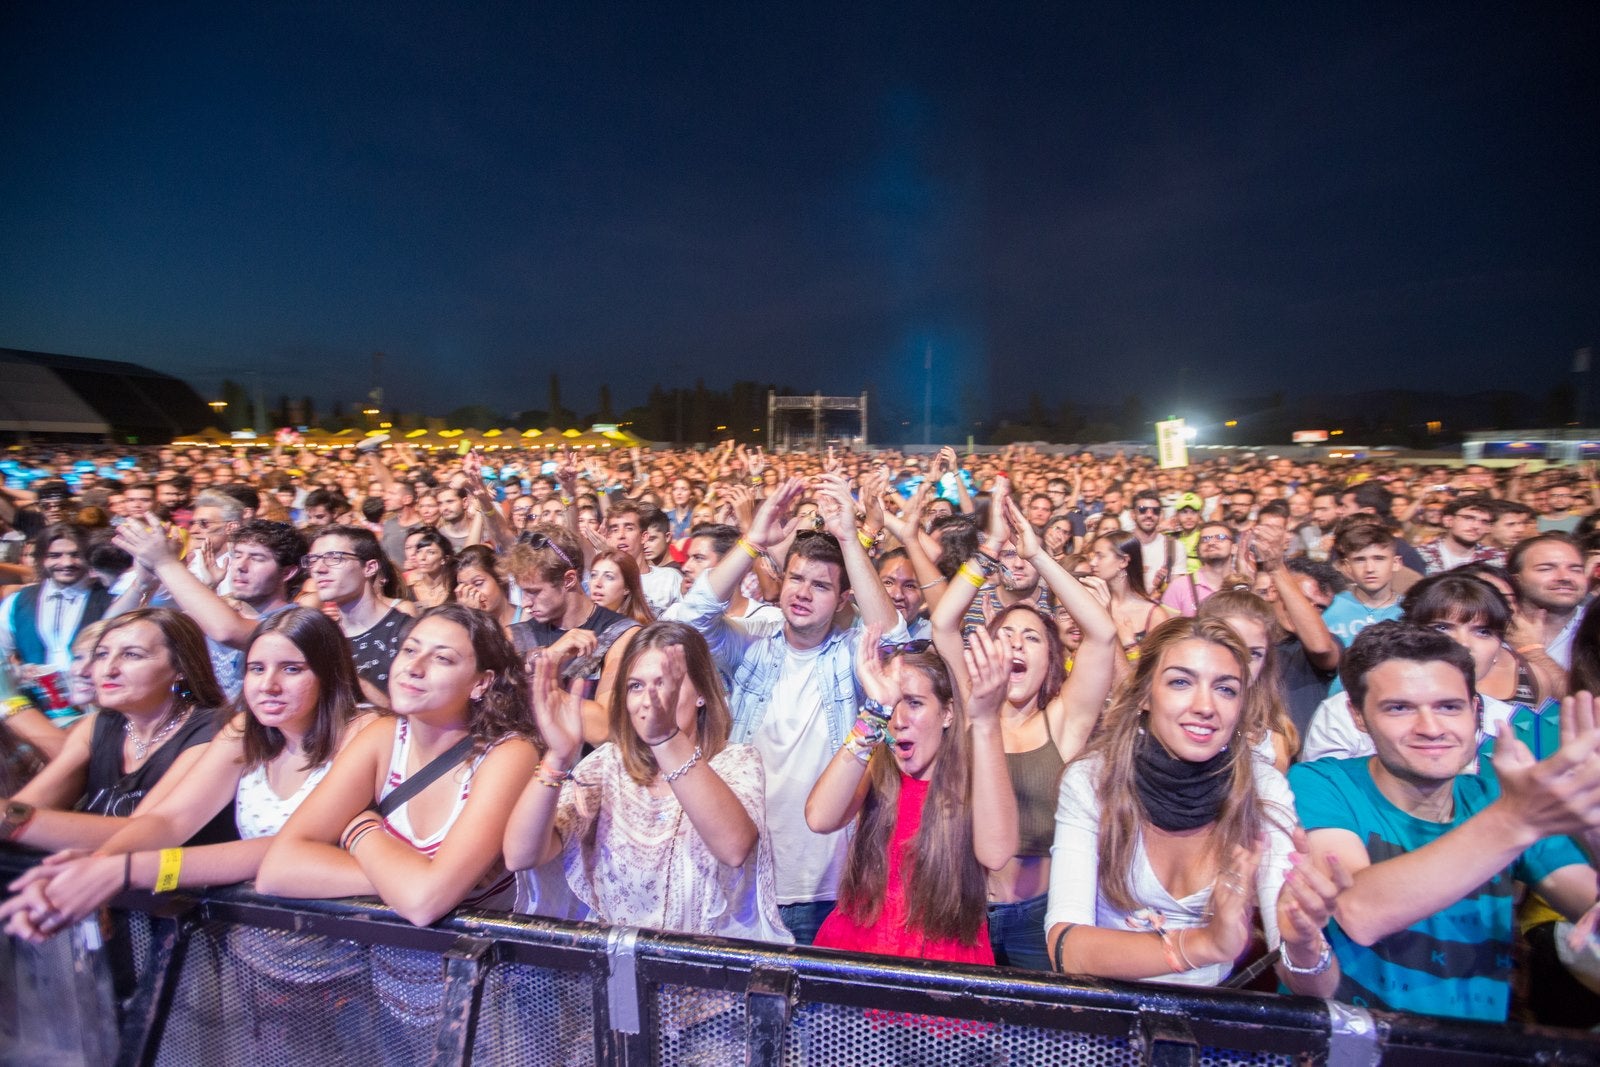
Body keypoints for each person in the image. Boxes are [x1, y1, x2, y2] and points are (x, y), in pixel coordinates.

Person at [1289, 623, 1600, 1021]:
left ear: (1476, 711)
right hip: (1354, 1043)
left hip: (1474, 1045)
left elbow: (1585, 901)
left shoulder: (1496, 799)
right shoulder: (1324, 782)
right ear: (1358, 715)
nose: (1431, 728)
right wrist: (1513, 821)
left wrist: (1593, 830)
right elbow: (1359, 911)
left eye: (1449, 707)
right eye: (1399, 708)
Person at [1, 608, 368, 940]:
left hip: (349, 943)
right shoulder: (244, 730)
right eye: (256, 669)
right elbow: (170, 820)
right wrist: (97, 866)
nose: (268, 685)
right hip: (255, 943)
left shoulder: (366, 733)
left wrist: (125, 870)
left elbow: (287, 846)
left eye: (292, 669)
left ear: (330, 673)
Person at [1046, 616, 1342, 995]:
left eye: (1226, 689)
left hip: (1210, 1010)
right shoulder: (1094, 778)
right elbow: (1065, 947)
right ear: (1145, 695)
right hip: (1107, 1006)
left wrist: (1303, 944)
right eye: (1181, 682)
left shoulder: (1262, 788)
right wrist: (1204, 944)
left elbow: (1315, 990)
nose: (1205, 706)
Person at [674, 475, 905, 945]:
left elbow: (895, 639)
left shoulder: (852, 656)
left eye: (821, 586)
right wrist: (752, 542)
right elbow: (685, 622)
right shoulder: (749, 643)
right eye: (796, 578)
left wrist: (850, 540)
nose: (802, 592)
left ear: (842, 600)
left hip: (827, 885)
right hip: (746, 875)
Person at [256, 603, 541, 925]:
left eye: (442, 658)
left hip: (475, 955)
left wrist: (360, 831)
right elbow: (277, 869)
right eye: (410, 650)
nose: (414, 667)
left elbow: (425, 904)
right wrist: (408, 878)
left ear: (481, 683)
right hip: (383, 955)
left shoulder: (509, 753)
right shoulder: (383, 736)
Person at [504, 621, 787, 941]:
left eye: (664, 683)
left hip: (702, 966)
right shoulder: (609, 764)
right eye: (636, 686)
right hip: (618, 964)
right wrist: (556, 758)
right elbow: (520, 855)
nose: (649, 700)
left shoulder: (736, 762)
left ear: (702, 694)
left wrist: (667, 738)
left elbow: (734, 848)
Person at [805, 625, 1016, 963]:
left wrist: (987, 721)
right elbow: (819, 818)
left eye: (915, 703)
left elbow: (996, 854)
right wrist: (874, 712)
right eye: (893, 707)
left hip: (944, 964)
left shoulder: (974, 775)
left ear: (947, 713)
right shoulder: (876, 767)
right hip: (858, 952)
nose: (899, 720)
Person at [0, 608, 231, 853]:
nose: (108, 669)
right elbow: (30, 804)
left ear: (181, 668)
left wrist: (11, 820)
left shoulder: (214, 731)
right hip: (89, 867)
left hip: (167, 874)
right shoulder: (98, 724)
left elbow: (139, 837)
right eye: (102, 654)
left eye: (132, 655)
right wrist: (10, 817)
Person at [504, 524, 640, 744]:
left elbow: (603, 728)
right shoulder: (515, 636)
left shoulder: (620, 635)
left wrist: (542, 674)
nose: (526, 603)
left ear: (568, 580)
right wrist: (550, 657)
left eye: (534, 592)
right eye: (522, 592)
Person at [0, 524, 113, 720]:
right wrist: (18, 672)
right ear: (42, 559)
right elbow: (2, 653)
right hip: (36, 711)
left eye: (76, 555)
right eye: (55, 556)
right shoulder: (19, 601)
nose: (66, 562)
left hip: (97, 711)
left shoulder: (109, 598)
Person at [302, 525, 415, 707]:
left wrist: (350, 677)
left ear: (369, 568)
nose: (319, 569)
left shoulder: (407, 633)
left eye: (334, 558)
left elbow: (417, 714)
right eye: (313, 560)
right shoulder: (320, 639)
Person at [1087, 530, 1174, 661]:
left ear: (1123, 561)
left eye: (1100, 556)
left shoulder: (1155, 615)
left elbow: (1158, 666)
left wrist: (1129, 644)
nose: (1092, 563)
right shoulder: (1093, 603)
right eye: (1093, 556)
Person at [1509, 533, 1586, 670]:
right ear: (1516, 579)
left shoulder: (1595, 624)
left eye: (1576, 570)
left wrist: (1532, 652)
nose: (1565, 577)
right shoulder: (1491, 624)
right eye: (1546, 569)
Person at [453, 544, 521, 632]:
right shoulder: (464, 628)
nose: (472, 593)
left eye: (478, 583)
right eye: (464, 587)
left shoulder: (527, 617)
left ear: (499, 577)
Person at [589, 549, 654, 626]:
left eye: (609, 577)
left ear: (627, 588)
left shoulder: (638, 629)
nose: (597, 583)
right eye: (593, 575)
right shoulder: (581, 623)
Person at [402, 525, 457, 609]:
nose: (422, 557)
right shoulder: (407, 588)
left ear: (445, 559)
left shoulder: (455, 587)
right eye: (419, 552)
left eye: (431, 552)